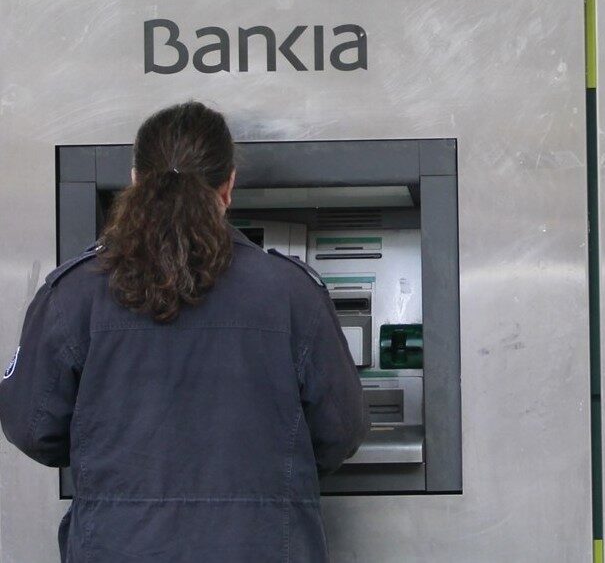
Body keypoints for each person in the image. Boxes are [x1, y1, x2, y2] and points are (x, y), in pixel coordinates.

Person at [0, 101, 369, 562]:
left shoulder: (73, 292)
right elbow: (341, 430)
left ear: (135, 179)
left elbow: (33, 428)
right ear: (228, 186)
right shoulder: (293, 291)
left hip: (118, 548)